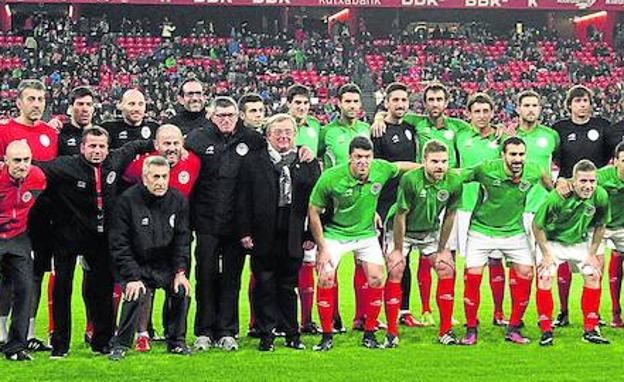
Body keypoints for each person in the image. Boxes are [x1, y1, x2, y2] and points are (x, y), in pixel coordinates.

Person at [37, 126, 154, 358]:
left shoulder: (116, 159)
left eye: (101, 146)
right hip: (67, 238)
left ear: (108, 148)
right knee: (62, 289)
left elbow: (138, 145)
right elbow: (35, 166)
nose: (97, 151)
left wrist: (166, 144)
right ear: (82, 147)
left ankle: (102, 342)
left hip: (100, 238)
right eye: (92, 146)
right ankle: (60, 345)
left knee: (102, 290)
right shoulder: (65, 166)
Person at [372, 82, 469, 327]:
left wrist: (497, 130)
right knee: (394, 261)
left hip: (441, 194)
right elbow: (391, 114)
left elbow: (481, 127)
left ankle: (438, 313)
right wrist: (378, 116)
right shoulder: (415, 123)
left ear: (447, 102)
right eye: (430, 100)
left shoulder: (458, 127)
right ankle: (400, 313)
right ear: (424, 104)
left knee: (445, 260)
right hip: (404, 195)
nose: (435, 104)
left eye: (439, 99)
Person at [309, 136, 417, 351]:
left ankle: (369, 334)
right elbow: (313, 211)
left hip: (366, 234)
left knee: (377, 279)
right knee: (326, 278)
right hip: (335, 233)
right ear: (350, 157)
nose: (363, 162)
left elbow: (401, 167)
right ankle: (327, 335)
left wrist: (426, 167)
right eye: (358, 157)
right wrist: (321, 248)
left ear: (373, 157)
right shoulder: (331, 177)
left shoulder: (380, 169)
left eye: (367, 157)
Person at [187, 96, 266, 352]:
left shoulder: (253, 140)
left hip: (237, 225)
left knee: (232, 278)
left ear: (238, 116)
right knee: (205, 276)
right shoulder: (197, 140)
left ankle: (228, 331)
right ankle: (203, 331)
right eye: (221, 115)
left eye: (230, 115)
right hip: (207, 222)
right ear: (212, 116)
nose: (226, 120)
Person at [237, 114, 321, 351]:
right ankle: (266, 334)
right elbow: (243, 199)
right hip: (263, 232)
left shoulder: (306, 161)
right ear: (268, 136)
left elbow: (316, 201)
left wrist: (310, 235)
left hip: (293, 233)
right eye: (278, 132)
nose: (283, 136)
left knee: (287, 286)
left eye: (288, 132)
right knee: (264, 283)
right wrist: (244, 231)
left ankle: (292, 333)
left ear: (295, 135)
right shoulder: (254, 161)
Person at [460, 137, 553, 345]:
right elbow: (459, 177)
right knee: (473, 276)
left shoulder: (535, 170)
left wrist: (564, 190)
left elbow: (552, 189)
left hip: (514, 231)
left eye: (521, 154)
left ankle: (513, 327)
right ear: (503, 155)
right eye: (512, 154)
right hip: (481, 230)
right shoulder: (485, 169)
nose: (517, 159)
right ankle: (471, 328)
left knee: (527, 273)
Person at [122, 124, 200, 352]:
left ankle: (172, 333)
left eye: (176, 143)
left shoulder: (194, 162)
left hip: (176, 236)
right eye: (166, 143)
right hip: (145, 236)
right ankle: (142, 332)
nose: (172, 148)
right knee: (145, 287)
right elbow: (122, 181)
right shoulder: (138, 166)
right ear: (156, 145)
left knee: (178, 283)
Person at [108, 156, 192, 361]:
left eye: (164, 177)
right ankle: (121, 344)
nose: (160, 181)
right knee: (135, 292)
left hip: (164, 265)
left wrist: (180, 272)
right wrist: (132, 276)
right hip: (136, 263)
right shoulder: (127, 201)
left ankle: (177, 342)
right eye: (156, 177)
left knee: (182, 290)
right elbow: (119, 244)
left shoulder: (178, 200)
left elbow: (183, 239)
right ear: (145, 178)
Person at [385, 140, 463, 346]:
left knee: (447, 268)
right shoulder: (411, 179)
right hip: (402, 229)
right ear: (424, 161)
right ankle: (392, 332)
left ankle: (445, 331)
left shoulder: (454, 181)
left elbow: (450, 215)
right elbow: (401, 215)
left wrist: (442, 249)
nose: (440, 166)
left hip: (430, 231)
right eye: (435, 161)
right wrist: (399, 250)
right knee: (396, 268)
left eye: (444, 161)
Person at [0, 79, 57, 353]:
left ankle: (25, 337)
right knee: (7, 279)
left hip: (37, 220)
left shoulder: (50, 133)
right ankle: (2, 333)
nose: (36, 104)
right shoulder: (5, 130)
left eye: (40, 99)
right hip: (7, 218)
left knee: (33, 277)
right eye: (31, 99)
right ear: (19, 102)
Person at [551, 85, 611, 328]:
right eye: (577, 101)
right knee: (564, 256)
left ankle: (593, 314)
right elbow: (551, 157)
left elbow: (613, 157)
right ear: (569, 105)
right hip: (567, 199)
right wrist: (561, 182)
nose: (582, 104)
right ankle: (563, 312)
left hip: (594, 197)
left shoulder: (603, 126)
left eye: (585, 100)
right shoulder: (560, 129)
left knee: (597, 255)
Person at [534, 159, 610, 345]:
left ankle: (590, 329)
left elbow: (601, 225)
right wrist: (546, 254)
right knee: (545, 277)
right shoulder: (557, 197)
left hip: (578, 241)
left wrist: (592, 254)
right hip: (552, 242)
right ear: (573, 181)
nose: (588, 186)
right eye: (583, 181)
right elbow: (537, 226)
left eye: (592, 181)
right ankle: (546, 330)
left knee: (593, 274)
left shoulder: (600, 195)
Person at [318, 83, 372, 332]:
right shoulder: (326, 131)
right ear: (338, 103)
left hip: (361, 204)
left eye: (355, 102)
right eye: (347, 101)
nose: (352, 106)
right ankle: (334, 318)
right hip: (332, 204)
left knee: (364, 262)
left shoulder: (367, 129)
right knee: (331, 264)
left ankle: (361, 318)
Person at [456, 92, 509, 327]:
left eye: (486, 111)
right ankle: (471, 316)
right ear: (468, 114)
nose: (481, 115)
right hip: (464, 207)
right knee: (472, 264)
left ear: (492, 113)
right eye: (476, 111)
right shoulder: (460, 136)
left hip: (493, 209)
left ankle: (498, 312)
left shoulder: (502, 140)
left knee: (496, 261)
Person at [0, 141, 46, 361]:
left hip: (19, 237)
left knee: (26, 288)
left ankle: (15, 347)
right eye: (17, 160)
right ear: (6, 161)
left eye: (27, 160)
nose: (22, 165)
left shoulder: (38, 177)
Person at [285, 84, 323, 335]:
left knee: (309, 259)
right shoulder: (277, 126)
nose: (301, 107)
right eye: (297, 102)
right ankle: (266, 321)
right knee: (277, 265)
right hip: (281, 205)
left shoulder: (317, 128)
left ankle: (307, 320)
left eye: (305, 103)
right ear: (287, 103)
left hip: (307, 202)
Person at [236, 92, 266, 337]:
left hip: (263, 219)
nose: (258, 115)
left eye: (260, 110)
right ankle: (247, 322)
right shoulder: (236, 139)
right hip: (238, 217)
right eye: (253, 111)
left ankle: (259, 321)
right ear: (242, 115)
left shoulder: (267, 139)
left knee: (262, 273)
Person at [601, 143, 624, 328]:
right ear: (615, 162)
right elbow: (575, 182)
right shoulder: (602, 176)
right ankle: (590, 317)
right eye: (623, 160)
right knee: (593, 267)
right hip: (600, 226)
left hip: (622, 228)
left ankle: (616, 314)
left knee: (618, 257)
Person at [58, 86, 96, 156]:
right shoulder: (60, 133)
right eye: (80, 104)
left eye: (89, 104)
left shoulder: (101, 133)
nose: (85, 109)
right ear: (70, 108)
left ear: (93, 109)